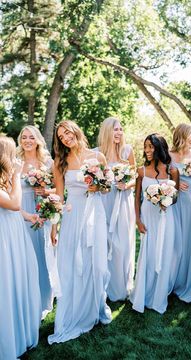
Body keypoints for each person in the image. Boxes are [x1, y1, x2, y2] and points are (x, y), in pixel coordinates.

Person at [48, 120, 112, 344]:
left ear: (76, 130)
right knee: (72, 265)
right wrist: (54, 226)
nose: (65, 137)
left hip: (95, 214)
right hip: (73, 216)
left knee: (97, 265)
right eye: (61, 136)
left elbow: (107, 186)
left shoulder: (98, 157)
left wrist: (99, 186)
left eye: (67, 132)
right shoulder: (60, 162)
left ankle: (95, 307)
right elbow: (58, 196)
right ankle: (74, 313)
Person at [0, 135, 41, 360]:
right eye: (12, 153)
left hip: (14, 235)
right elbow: (14, 202)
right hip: (4, 242)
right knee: (7, 283)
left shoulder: (3, 178)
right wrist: (17, 174)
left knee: (19, 280)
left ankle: (19, 332)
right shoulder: (10, 176)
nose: (15, 157)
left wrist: (28, 216)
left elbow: (13, 209)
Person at [130, 134, 179, 314]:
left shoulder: (172, 171)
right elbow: (136, 198)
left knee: (165, 253)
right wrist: (138, 220)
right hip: (148, 218)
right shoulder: (141, 170)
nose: (147, 151)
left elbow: (175, 198)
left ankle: (159, 297)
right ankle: (143, 293)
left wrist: (165, 199)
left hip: (167, 219)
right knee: (148, 255)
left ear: (159, 147)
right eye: (146, 147)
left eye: (151, 147)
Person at [17, 125, 59, 320]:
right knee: (24, 255)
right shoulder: (15, 162)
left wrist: (45, 191)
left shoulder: (48, 162)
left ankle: (43, 298)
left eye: (31, 137)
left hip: (42, 211)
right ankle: (26, 297)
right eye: (24, 137)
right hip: (21, 213)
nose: (27, 141)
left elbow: (58, 191)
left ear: (37, 140)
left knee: (42, 253)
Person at [96, 117, 136, 301]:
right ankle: (103, 286)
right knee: (104, 242)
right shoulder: (97, 154)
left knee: (122, 244)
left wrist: (126, 185)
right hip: (104, 201)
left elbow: (136, 178)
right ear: (106, 132)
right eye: (115, 129)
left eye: (121, 129)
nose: (119, 132)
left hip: (123, 201)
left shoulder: (127, 151)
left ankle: (120, 287)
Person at [170, 123, 191, 302]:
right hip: (174, 203)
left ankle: (188, 282)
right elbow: (162, 176)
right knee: (175, 241)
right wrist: (174, 183)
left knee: (189, 240)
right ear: (182, 135)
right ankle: (172, 281)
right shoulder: (169, 155)